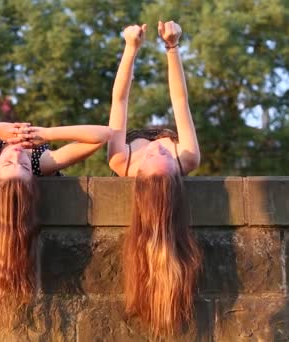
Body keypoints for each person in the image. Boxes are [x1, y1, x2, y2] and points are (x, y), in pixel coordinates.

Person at [0, 104, 111, 320]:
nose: (17, 155)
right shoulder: (42, 164)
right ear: (33, 176)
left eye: (9, 163)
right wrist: (45, 134)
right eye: (24, 167)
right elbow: (103, 135)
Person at [107, 21, 203, 336]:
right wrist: (172, 47)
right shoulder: (186, 156)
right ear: (177, 174)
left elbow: (119, 102)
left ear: (138, 177)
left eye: (153, 159)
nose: (157, 153)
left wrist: (130, 48)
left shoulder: (122, 161)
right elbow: (180, 104)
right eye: (164, 157)